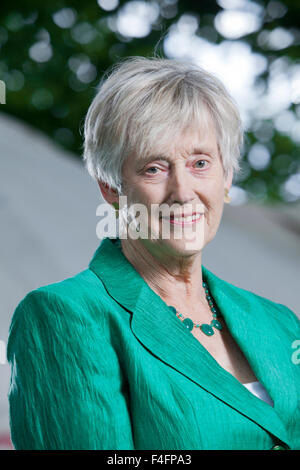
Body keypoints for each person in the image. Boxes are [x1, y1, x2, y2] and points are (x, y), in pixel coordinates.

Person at [7, 57, 300, 450]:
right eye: (154, 168)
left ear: (226, 177)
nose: (182, 192)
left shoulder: (280, 323)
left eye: (200, 163)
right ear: (110, 187)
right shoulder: (65, 316)